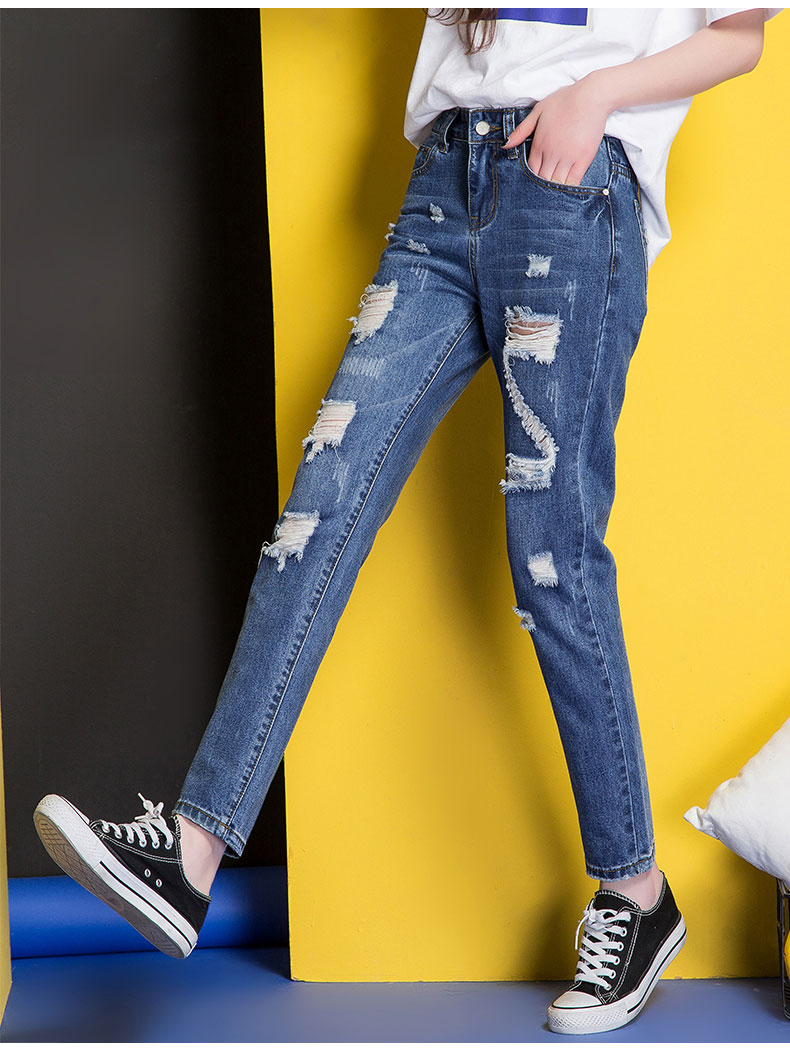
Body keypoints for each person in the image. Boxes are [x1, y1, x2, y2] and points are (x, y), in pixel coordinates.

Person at [34, 7, 780, 1037]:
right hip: (444, 185)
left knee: (553, 560)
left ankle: (635, 891)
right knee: (316, 515)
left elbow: (741, 34)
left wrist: (595, 97)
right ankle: (192, 851)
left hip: (571, 188)